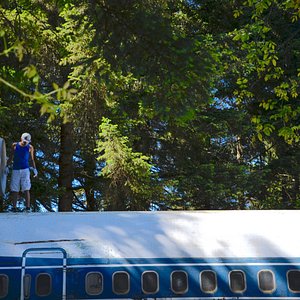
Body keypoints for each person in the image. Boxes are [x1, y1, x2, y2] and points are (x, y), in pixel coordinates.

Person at [8, 133, 38, 212]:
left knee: (26, 188)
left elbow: (32, 159)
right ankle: (14, 208)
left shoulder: (30, 147)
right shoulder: (15, 145)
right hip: (15, 169)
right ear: (21, 139)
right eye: (24, 141)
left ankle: (27, 208)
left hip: (25, 170)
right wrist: (6, 166)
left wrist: (35, 169)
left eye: (27, 141)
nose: (25, 143)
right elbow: (11, 157)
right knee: (15, 189)